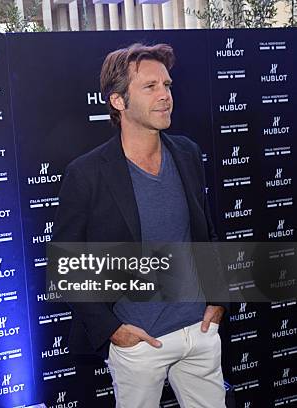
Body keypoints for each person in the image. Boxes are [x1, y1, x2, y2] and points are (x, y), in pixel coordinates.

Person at [53, 43, 228, 407]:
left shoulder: (187, 153)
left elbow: (206, 233)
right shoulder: (86, 174)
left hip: (200, 331)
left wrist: (217, 300)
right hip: (138, 343)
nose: (165, 96)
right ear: (118, 101)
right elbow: (66, 267)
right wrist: (112, 331)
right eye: (150, 87)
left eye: (167, 85)